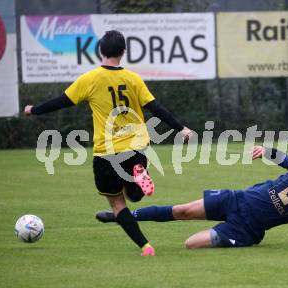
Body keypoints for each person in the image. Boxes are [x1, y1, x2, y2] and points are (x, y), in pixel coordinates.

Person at [24, 30, 192, 256]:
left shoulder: (91, 79)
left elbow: (61, 102)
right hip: (137, 147)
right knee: (134, 194)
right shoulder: (133, 79)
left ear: (100, 50)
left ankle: (146, 246)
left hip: (107, 152)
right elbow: (156, 108)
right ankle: (138, 175)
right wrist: (181, 128)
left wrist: (34, 109)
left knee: (117, 205)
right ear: (123, 52)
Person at [96, 146, 288, 248]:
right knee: (183, 210)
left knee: (190, 244)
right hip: (236, 199)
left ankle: (123, 215)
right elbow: (282, 157)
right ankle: (122, 216)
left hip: (247, 229)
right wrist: (263, 151)